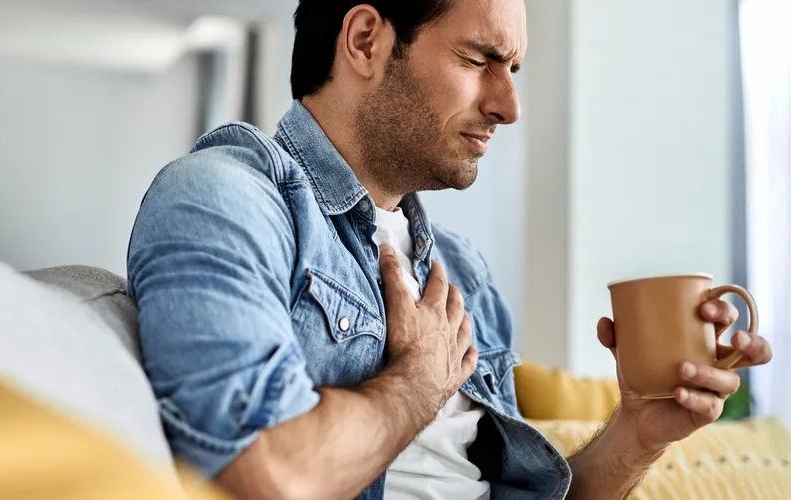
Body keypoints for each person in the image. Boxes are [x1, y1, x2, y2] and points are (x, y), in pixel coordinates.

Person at [126, 1, 774, 499]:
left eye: (513, 68)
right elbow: (260, 474)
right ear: (365, 40)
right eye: (478, 60)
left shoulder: (460, 273)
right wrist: (415, 387)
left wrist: (639, 431)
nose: (509, 105)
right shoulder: (224, 199)